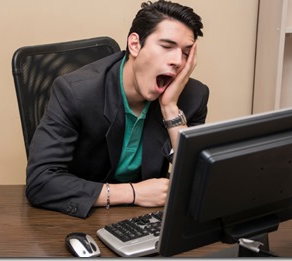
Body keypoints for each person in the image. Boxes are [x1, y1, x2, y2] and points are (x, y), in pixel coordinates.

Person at [25, 0, 209, 218]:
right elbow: (41, 183)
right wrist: (133, 193)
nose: (178, 61)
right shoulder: (76, 92)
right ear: (135, 45)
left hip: (146, 219)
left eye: (186, 53)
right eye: (167, 47)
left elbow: (196, 183)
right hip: (82, 215)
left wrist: (170, 109)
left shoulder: (192, 97)